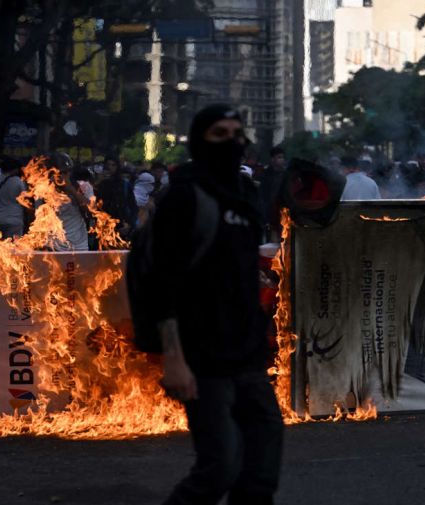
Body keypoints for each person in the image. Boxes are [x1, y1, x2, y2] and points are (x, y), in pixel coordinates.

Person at [152, 104, 283, 505]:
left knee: (261, 470)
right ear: (198, 141)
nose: (232, 142)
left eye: (237, 133)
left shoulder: (246, 194)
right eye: (219, 134)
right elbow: (162, 280)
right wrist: (173, 358)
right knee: (219, 467)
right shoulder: (185, 192)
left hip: (248, 356)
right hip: (202, 359)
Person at [95, 154, 138, 239]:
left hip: (122, 226)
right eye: (108, 165)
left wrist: (129, 224)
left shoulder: (124, 184)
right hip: (104, 226)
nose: (110, 168)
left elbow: (132, 206)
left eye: (113, 165)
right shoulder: (101, 184)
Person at [256, 146, 286, 242]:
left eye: (282, 157)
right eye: (279, 157)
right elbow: (263, 197)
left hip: (284, 214)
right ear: (272, 159)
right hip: (271, 215)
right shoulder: (265, 175)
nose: (281, 160)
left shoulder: (286, 175)